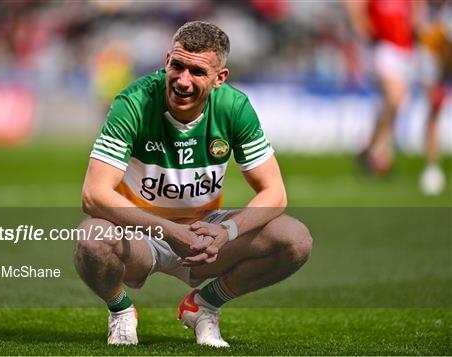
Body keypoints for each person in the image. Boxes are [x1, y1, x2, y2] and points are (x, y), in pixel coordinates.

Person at [74, 21, 312, 347]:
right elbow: (93, 195)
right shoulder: (134, 103)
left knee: (295, 239)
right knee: (92, 239)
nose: (183, 81)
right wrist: (170, 232)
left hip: (205, 236)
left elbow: (275, 193)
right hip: (142, 235)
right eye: (177, 66)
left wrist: (226, 232)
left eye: (197, 72)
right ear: (166, 60)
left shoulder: (234, 107)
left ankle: (204, 306)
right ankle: (121, 311)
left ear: (219, 79)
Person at [346, 0, 422, 175]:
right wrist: (363, 27)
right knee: (396, 98)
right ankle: (376, 150)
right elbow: (354, 5)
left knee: (394, 104)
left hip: (405, 48)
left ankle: (375, 151)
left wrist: (415, 24)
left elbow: (416, 10)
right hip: (383, 48)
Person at [417, 0, 451, 195]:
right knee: (434, 111)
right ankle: (432, 165)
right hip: (435, 60)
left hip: (442, 60)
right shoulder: (429, 15)